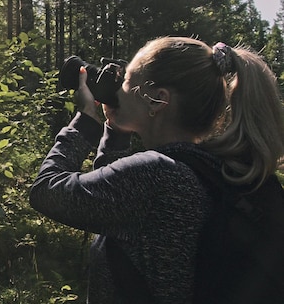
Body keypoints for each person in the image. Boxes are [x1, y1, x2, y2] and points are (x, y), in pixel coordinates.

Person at [29, 36, 284, 303]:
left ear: (157, 100)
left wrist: (85, 122)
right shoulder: (213, 171)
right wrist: (115, 131)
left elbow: (46, 191)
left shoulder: (155, 176)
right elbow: (115, 209)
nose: (119, 88)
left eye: (126, 81)